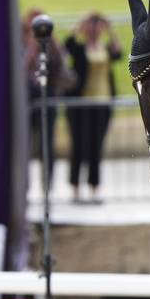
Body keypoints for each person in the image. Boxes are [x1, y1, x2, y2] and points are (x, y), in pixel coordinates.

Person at [63, 12, 121, 203]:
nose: (95, 30)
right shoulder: (80, 48)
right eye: (92, 26)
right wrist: (80, 24)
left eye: (97, 26)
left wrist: (110, 29)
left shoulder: (104, 48)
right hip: (81, 104)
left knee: (96, 146)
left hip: (102, 103)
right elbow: (67, 45)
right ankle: (75, 188)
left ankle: (95, 187)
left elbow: (118, 53)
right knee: (78, 145)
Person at [23, 7, 71, 185]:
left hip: (47, 97)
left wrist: (50, 44)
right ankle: (24, 184)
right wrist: (32, 47)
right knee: (25, 145)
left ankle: (47, 184)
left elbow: (61, 65)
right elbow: (23, 68)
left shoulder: (52, 44)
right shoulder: (23, 41)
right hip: (27, 100)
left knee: (46, 144)